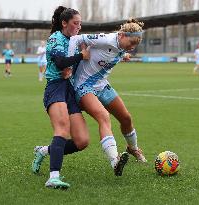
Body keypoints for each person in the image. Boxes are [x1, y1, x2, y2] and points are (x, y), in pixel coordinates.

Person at [67, 18, 147, 164]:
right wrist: (69, 64)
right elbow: (76, 39)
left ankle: (133, 148)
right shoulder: (106, 39)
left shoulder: (121, 46)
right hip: (84, 86)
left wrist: (124, 55)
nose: (132, 47)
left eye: (135, 45)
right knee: (104, 116)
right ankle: (114, 160)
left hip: (102, 86)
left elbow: (113, 52)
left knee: (126, 118)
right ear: (122, 35)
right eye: (131, 43)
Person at [32, 6, 91, 190]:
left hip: (69, 90)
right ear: (64, 23)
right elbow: (59, 63)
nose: (79, 27)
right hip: (55, 87)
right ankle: (53, 177)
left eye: (80, 23)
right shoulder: (55, 38)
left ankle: (44, 151)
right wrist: (80, 55)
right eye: (75, 23)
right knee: (62, 129)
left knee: (82, 141)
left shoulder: (75, 40)